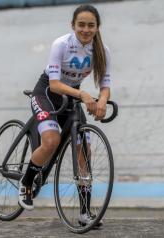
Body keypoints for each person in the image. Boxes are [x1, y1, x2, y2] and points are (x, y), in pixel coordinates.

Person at [18, 4, 111, 226]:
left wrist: (103, 101)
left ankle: (85, 212)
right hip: (48, 94)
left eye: (91, 25)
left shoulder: (102, 51)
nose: (86, 29)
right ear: (73, 26)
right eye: (81, 25)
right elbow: (55, 83)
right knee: (51, 141)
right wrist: (83, 94)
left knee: (84, 153)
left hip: (73, 97)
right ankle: (27, 181)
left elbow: (105, 84)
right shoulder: (62, 44)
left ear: (97, 27)